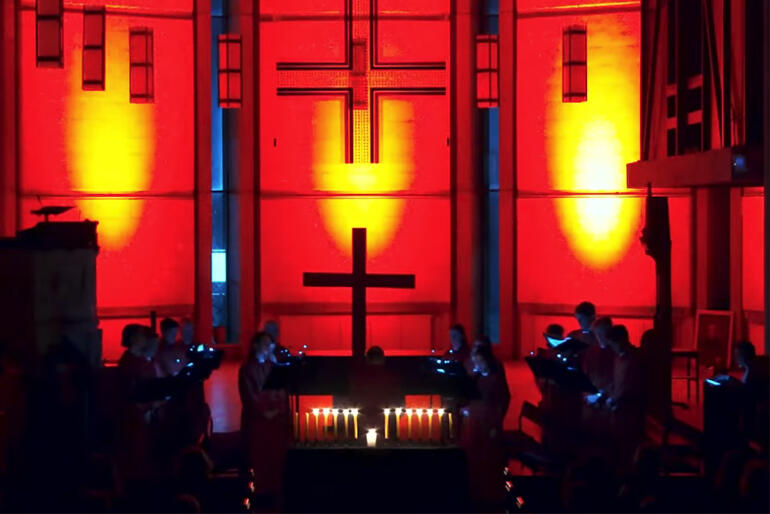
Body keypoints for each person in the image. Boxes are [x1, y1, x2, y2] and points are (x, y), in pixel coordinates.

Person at [239, 331, 291, 504]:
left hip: (275, 421)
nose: (269, 348)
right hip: (258, 422)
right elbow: (249, 396)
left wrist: (278, 410)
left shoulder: (272, 366)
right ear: (256, 345)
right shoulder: (248, 369)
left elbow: (281, 391)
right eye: (266, 344)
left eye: (271, 344)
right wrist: (265, 412)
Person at [461, 342, 511, 510]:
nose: (477, 364)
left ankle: (490, 498)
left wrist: (492, 424)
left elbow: (498, 403)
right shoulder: (477, 377)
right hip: (475, 424)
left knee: (488, 463)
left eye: (480, 361)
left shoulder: (494, 379)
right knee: (474, 461)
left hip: (488, 426)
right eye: (475, 361)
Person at [605, 324, 646, 475]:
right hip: (619, 408)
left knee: (626, 448)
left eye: (613, 344)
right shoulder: (619, 358)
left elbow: (631, 386)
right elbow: (617, 383)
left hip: (629, 412)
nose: (612, 348)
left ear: (621, 341)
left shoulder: (634, 359)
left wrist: (614, 400)